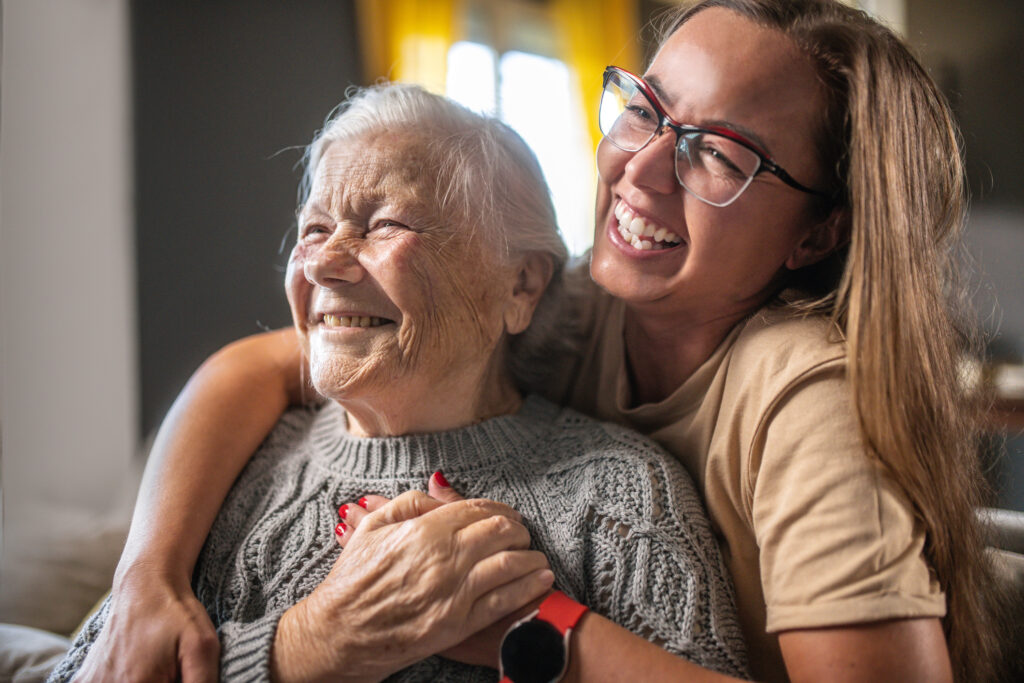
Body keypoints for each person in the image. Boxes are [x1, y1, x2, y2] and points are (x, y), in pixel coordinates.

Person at [64, 0, 1006, 681]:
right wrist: (148, 572)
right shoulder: (582, 304)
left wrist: (535, 623)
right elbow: (278, 359)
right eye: (644, 106)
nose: (638, 169)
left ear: (818, 233)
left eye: (715, 152)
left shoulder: (808, 404)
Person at [50, 84, 749, 682]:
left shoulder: (620, 494)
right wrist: (302, 648)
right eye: (314, 228)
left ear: (522, 284)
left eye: (384, 224)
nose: (324, 266)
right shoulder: (227, 468)